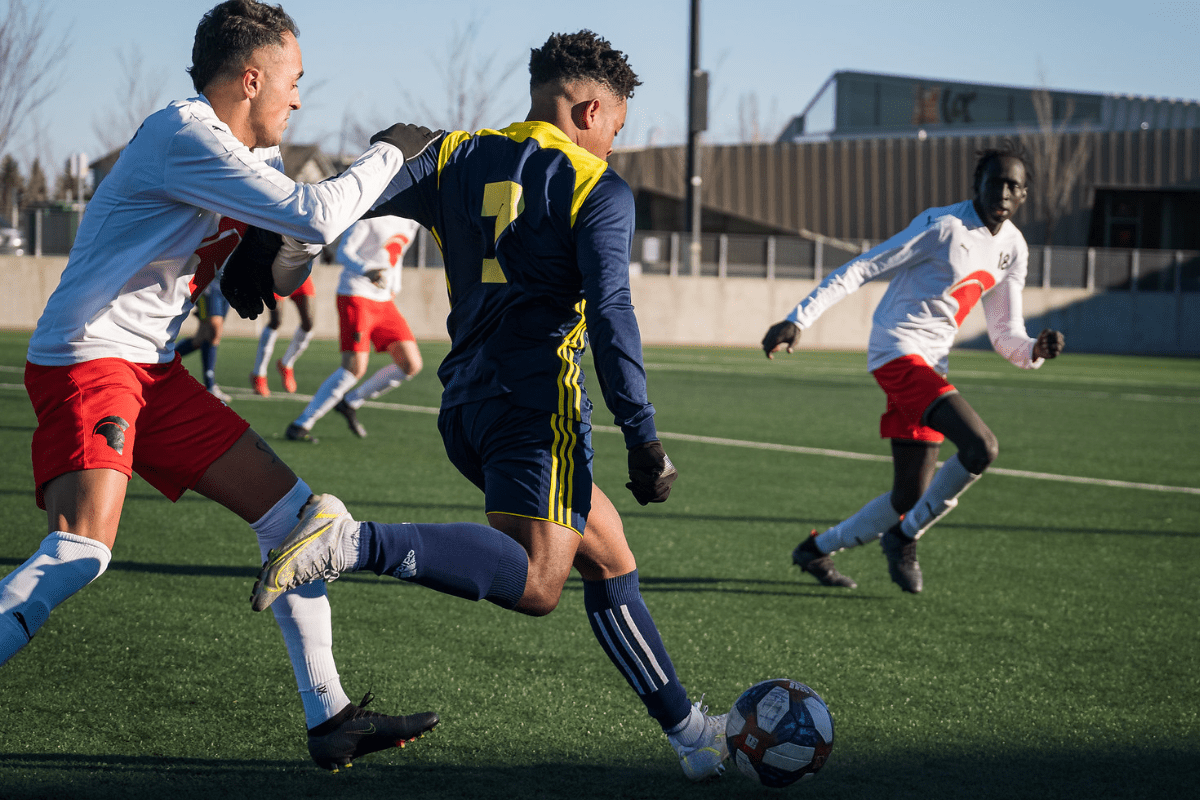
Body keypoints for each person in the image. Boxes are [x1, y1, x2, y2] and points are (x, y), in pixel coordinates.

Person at [252, 30, 729, 781]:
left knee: (608, 554)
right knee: (540, 584)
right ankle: (354, 543)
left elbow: (344, 202)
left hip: (466, 408)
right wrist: (643, 434)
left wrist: (283, 253)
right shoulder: (596, 188)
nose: (613, 145)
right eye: (616, 128)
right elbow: (610, 315)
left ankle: (694, 735)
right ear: (589, 108)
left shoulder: (456, 154)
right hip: (539, 412)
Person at [2, 0, 443, 771]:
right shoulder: (183, 131)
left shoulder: (251, 161)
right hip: (92, 358)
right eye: (294, 81)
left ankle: (331, 716)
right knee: (81, 550)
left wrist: (271, 259)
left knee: (298, 524)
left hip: (153, 372)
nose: (299, 98)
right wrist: (393, 154)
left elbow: (287, 244)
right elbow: (313, 216)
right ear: (251, 78)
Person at [762, 142, 1065, 594]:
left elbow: (1005, 333)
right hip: (897, 351)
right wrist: (799, 317)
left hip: (932, 364)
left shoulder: (1014, 248)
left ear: (1023, 196)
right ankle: (904, 538)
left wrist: (1034, 348)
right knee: (981, 447)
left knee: (909, 494)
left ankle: (815, 550)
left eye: (1013, 185)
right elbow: (865, 266)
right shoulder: (943, 225)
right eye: (995, 181)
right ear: (976, 185)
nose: (1003, 190)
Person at [285, 215, 423, 442]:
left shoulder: (412, 220)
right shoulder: (370, 214)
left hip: (385, 300)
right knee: (353, 368)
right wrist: (367, 269)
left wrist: (394, 285)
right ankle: (301, 425)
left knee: (410, 364)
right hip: (356, 294)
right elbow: (344, 253)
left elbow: (396, 256)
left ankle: (351, 402)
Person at [250, 275, 316, 396]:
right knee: (276, 320)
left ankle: (286, 364)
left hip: (301, 267)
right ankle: (259, 374)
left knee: (309, 323)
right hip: (276, 268)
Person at [175, 278, 232, 401]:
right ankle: (210, 384)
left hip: (228, 283)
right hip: (208, 283)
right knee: (214, 329)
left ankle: (161, 362)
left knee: (201, 339)